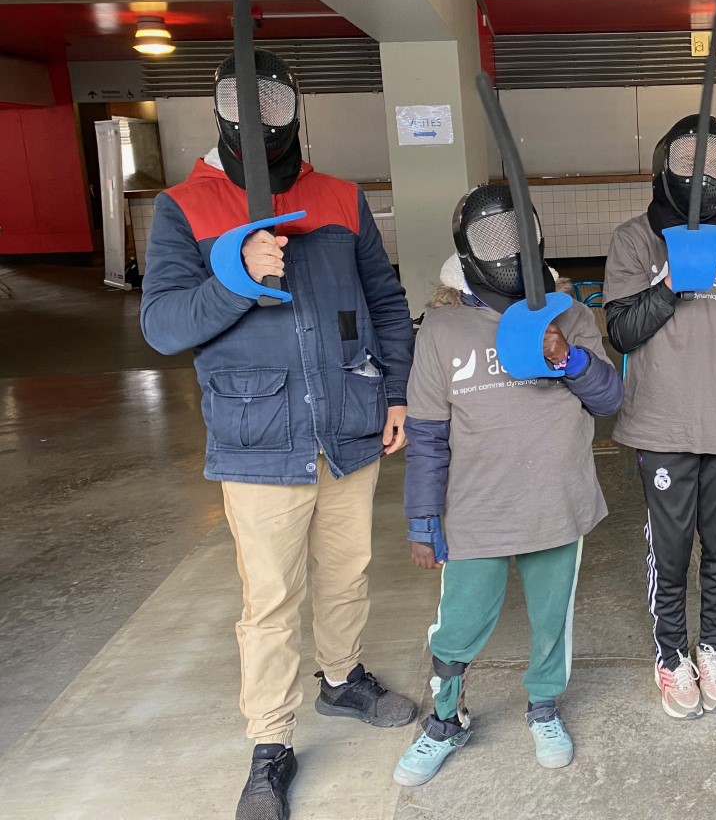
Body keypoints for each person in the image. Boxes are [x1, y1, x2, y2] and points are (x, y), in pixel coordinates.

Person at [140, 48, 417, 820]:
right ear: (220, 112)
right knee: (270, 596)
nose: (260, 118)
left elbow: (385, 300)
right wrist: (234, 274)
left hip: (351, 421)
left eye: (273, 103)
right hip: (259, 434)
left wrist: (396, 390)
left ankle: (342, 678)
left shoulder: (341, 198)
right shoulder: (184, 207)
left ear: (295, 109)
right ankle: (270, 740)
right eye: (243, 103)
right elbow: (163, 325)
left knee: (348, 571)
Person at [393, 184, 622, 786]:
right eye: (491, 239)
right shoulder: (441, 329)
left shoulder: (570, 315)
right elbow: (427, 435)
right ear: (467, 252)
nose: (506, 252)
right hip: (476, 512)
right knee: (458, 626)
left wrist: (568, 358)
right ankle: (446, 720)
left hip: (556, 502)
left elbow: (609, 398)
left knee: (551, 619)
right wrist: (422, 518)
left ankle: (543, 706)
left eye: (515, 235)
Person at [605, 114, 716, 719]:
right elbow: (620, 332)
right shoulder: (635, 241)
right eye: (689, 161)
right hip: (662, 426)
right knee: (671, 549)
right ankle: (670, 654)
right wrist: (670, 286)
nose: (702, 175)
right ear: (665, 165)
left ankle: (713, 648)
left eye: (715, 164)